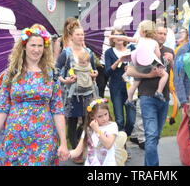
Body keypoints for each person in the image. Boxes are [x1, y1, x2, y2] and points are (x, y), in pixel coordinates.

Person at [0, 24, 69, 165]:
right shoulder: (12, 73)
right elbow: (2, 108)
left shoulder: (52, 74)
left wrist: (63, 142)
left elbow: (57, 109)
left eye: (40, 46)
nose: (37, 50)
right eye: (33, 45)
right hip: (14, 137)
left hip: (43, 139)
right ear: (24, 46)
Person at [125, 24, 174, 166]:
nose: (162, 36)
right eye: (159, 33)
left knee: (155, 136)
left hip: (163, 98)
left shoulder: (169, 51)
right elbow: (129, 71)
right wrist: (149, 75)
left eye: (165, 34)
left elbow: (173, 71)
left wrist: (172, 59)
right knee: (151, 136)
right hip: (147, 97)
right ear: (153, 34)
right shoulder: (142, 47)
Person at [56, 23, 98, 163]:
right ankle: (75, 151)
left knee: (87, 120)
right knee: (73, 121)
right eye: (78, 34)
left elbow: (92, 69)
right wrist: (65, 80)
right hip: (72, 94)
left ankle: (85, 146)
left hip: (87, 93)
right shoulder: (66, 53)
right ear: (71, 37)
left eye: (82, 34)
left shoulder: (88, 52)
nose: (81, 37)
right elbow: (56, 71)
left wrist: (94, 74)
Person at [110, 20, 168, 104]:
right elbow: (158, 55)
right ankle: (159, 91)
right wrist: (158, 64)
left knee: (135, 83)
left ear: (143, 31)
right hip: (150, 62)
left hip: (137, 63)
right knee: (165, 74)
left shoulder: (139, 39)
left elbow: (126, 38)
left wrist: (112, 36)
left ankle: (129, 99)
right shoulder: (154, 42)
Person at [69, 98, 120, 166]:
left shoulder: (112, 126)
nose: (104, 118)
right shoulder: (88, 129)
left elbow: (108, 145)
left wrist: (97, 130)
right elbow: (77, 151)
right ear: (92, 116)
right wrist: (66, 154)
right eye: (100, 116)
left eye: (106, 114)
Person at [104, 29, 136, 136]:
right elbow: (107, 72)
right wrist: (118, 61)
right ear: (112, 39)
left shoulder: (131, 49)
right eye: (116, 35)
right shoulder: (109, 52)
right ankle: (123, 145)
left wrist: (131, 67)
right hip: (116, 87)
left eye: (121, 35)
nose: (119, 37)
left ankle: (125, 135)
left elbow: (140, 65)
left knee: (131, 120)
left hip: (130, 87)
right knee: (119, 119)